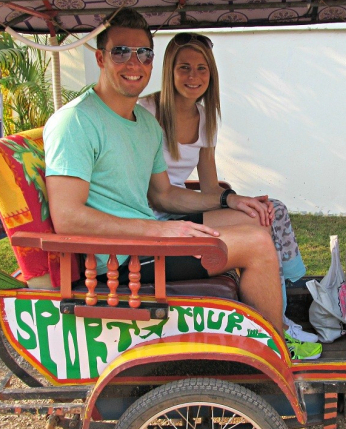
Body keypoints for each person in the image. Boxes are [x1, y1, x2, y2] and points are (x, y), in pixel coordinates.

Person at [43, 9, 321, 360]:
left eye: (144, 53)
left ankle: (264, 332)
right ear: (100, 58)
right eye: (121, 52)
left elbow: (164, 195)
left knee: (257, 224)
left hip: (145, 243)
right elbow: (68, 217)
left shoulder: (145, 123)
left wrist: (228, 200)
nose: (134, 63)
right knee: (256, 245)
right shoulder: (76, 121)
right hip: (116, 260)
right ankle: (275, 352)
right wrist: (159, 231)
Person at [139, 32, 317, 343]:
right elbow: (160, 196)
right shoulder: (147, 112)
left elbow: (210, 186)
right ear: (169, 71)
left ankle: (281, 306)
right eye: (184, 68)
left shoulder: (205, 116)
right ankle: (278, 325)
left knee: (268, 211)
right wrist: (229, 199)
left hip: (181, 208)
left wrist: (238, 201)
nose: (194, 77)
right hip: (157, 216)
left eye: (202, 68)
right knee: (259, 227)